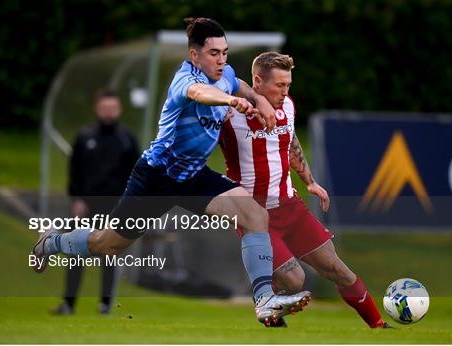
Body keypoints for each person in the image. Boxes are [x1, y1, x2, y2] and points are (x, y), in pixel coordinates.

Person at [31, 18, 310, 324]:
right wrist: (231, 100)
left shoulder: (226, 74)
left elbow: (237, 82)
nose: (221, 60)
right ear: (195, 55)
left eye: (225, 52)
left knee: (256, 215)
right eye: (213, 53)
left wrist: (257, 98)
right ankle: (52, 242)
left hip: (192, 177)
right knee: (105, 245)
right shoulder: (184, 80)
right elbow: (200, 94)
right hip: (156, 177)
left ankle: (264, 301)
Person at [219, 52, 390, 328]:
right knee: (295, 278)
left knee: (338, 269)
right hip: (254, 214)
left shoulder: (287, 106)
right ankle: (268, 307)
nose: (285, 91)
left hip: (289, 207)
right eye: (280, 85)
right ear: (258, 82)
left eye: (288, 84)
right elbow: (222, 78)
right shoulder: (229, 113)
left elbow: (290, 143)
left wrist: (309, 180)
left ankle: (379, 326)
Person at [52, 89, 140, 315]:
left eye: (113, 108)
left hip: (115, 207)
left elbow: (136, 174)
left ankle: (105, 304)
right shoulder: (84, 137)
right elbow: (75, 172)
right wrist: (77, 199)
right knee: (75, 253)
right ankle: (68, 304)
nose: (109, 112)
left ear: (119, 109)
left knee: (108, 255)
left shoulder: (127, 139)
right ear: (97, 109)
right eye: (105, 108)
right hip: (86, 206)